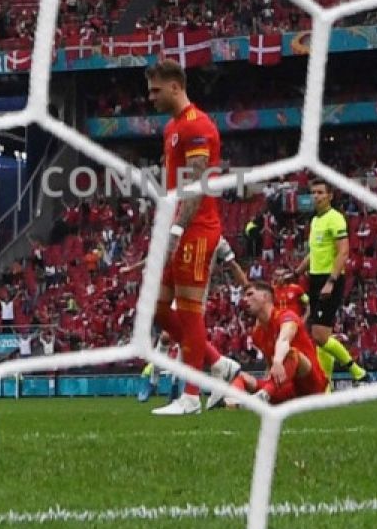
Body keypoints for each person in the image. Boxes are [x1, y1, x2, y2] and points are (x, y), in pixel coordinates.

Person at [144, 60, 241, 415]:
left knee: (189, 311)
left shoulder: (198, 126)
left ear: (174, 87)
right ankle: (219, 365)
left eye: (155, 90)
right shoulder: (171, 127)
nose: (149, 97)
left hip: (196, 228)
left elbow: (196, 185)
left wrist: (175, 230)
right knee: (155, 306)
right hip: (176, 225)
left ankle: (190, 396)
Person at [135, 236, 246, 406]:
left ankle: (176, 385)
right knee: (169, 335)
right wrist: (135, 267)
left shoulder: (217, 239)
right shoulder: (182, 232)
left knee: (184, 341)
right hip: (177, 290)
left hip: (196, 296)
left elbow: (233, 265)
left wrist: (249, 287)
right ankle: (156, 377)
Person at [293, 180, 369, 388]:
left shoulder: (335, 219)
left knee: (319, 334)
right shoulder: (316, 221)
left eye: (320, 192)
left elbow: (343, 251)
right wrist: (296, 272)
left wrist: (331, 281)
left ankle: (358, 372)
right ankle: (325, 386)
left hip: (329, 279)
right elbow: (314, 252)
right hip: (315, 279)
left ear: (330, 196)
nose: (316, 196)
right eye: (313, 193)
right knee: (319, 336)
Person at [226, 281, 327, 405]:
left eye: (250, 294)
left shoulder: (286, 316)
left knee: (292, 353)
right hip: (284, 387)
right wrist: (266, 378)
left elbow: (284, 340)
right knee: (240, 375)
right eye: (244, 296)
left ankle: (265, 394)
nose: (245, 299)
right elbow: (270, 365)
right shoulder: (257, 333)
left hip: (311, 386)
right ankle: (231, 403)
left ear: (265, 297)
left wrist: (278, 361)